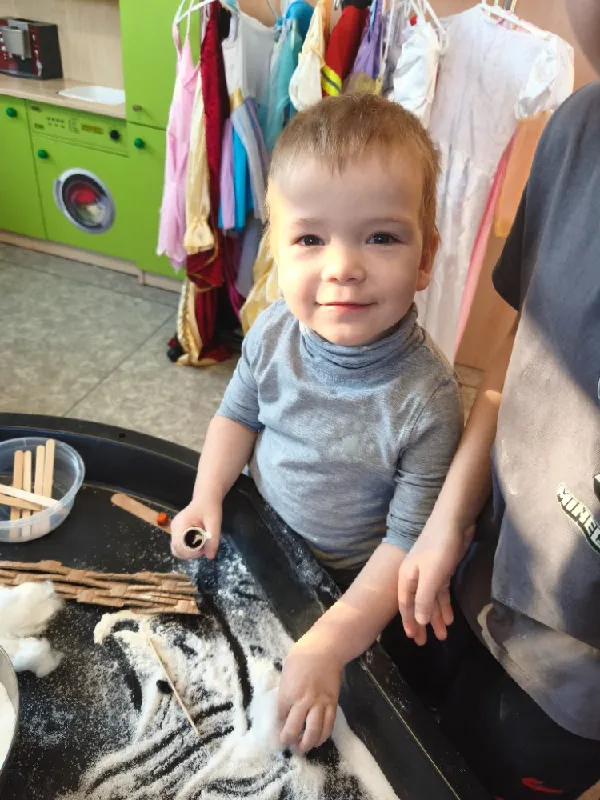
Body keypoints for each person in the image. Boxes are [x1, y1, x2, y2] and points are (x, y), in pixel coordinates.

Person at [171, 94, 463, 754]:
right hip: (262, 539)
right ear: (276, 251)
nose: (343, 268)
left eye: (381, 237)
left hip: (355, 587)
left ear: (425, 258)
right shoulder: (273, 330)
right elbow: (236, 416)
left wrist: (331, 643)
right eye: (310, 239)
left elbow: (407, 544)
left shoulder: (428, 400)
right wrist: (207, 495)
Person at [394, 2, 600, 796]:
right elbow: (521, 345)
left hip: (571, 675)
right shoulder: (578, 127)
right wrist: (450, 516)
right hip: (478, 565)